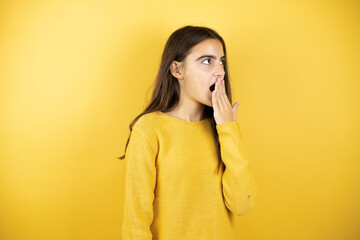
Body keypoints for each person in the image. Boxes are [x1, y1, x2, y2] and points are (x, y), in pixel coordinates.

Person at [118, 25, 258, 240]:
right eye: (206, 61)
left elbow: (242, 204)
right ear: (177, 70)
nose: (220, 71)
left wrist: (228, 129)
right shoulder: (149, 131)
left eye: (221, 61)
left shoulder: (222, 130)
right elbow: (136, 222)